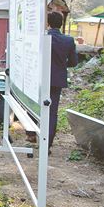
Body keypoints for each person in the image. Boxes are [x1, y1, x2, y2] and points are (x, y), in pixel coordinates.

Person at [27, 11, 78, 149]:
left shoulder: (41, 38)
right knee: (52, 112)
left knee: (32, 105)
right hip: (56, 80)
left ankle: (31, 133)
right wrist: (61, 64)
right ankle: (46, 145)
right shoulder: (68, 40)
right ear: (61, 24)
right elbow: (74, 62)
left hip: (39, 79)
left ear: (48, 23)